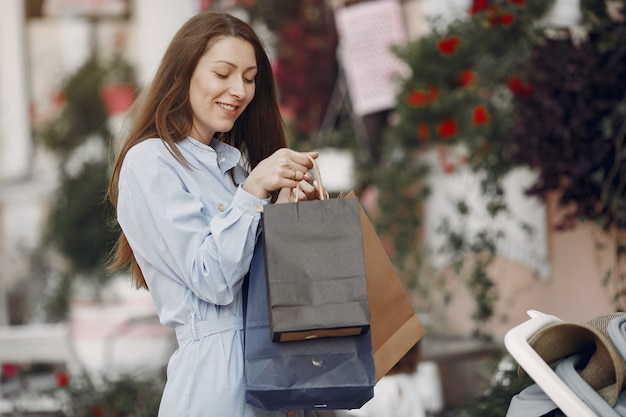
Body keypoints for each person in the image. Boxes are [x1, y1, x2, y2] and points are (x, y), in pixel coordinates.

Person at [107, 11, 319, 417]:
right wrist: (254, 191)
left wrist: (290, 213)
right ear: (182, 73)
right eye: (223, 73)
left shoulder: (233, 170)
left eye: (250, 77)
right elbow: (214, 280)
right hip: (218, 382)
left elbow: (273, 287)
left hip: (278, 375)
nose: (238, 90)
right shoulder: (149, 163)